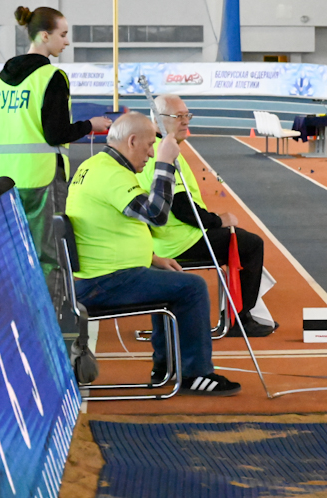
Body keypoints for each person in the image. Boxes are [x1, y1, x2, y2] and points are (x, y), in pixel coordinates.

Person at [66, 112, 241, 395]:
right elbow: (156, 215)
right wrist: (165, 163)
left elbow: (104, 226)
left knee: (166, 278)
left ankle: (166, 366)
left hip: (99, 276)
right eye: (149, 146)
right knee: (193, 287)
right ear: (132, 141)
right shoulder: (111, 174)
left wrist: (152, 258)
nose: (150, 153)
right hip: (105, 281)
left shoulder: (96, 165)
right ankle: (197, 374)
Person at [138, 94, 273, 338]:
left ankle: (238, 314)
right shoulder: (163, 151)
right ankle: (238, 319)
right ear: (157, 120)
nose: (185, 121)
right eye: (178, 116)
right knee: (251, 245)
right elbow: (181, 207)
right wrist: (219, 220)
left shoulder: (153, 149)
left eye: (187, 115)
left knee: (240, 240)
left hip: (167, 238)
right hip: (179, 241)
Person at [0, 6, 112, 276]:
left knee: (13, 254)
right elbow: (56, 134)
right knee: (49, 257)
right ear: (44, 36)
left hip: (6, 178)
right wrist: (90, 125)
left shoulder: (3, 79)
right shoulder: (51, 77)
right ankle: (54, 316)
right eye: (62, 34)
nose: (67, 41)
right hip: (41, 178)